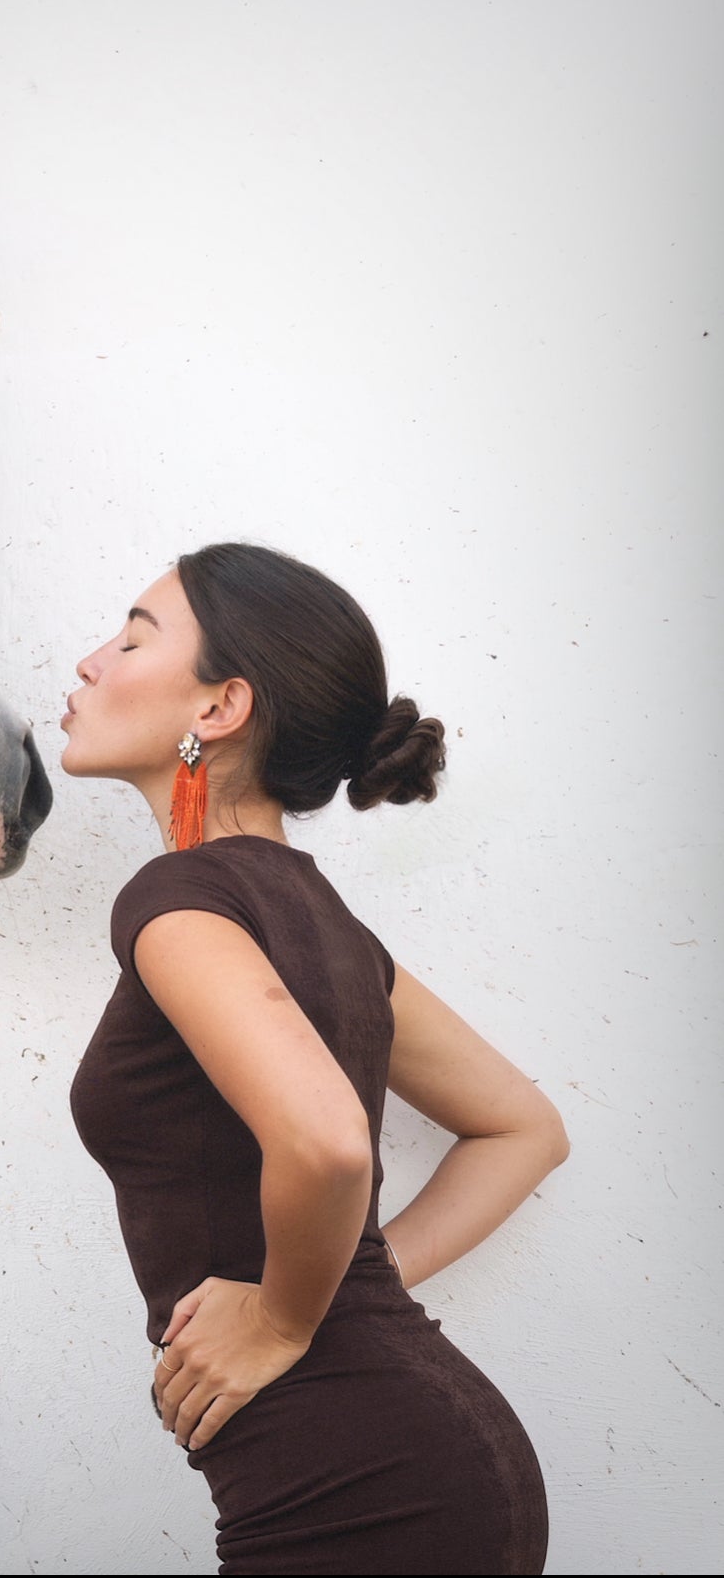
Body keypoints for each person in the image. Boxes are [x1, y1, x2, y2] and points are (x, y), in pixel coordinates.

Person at [64, 543, 569, 1576]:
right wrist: (343, 1277)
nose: (89, 662)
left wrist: (285, 1311)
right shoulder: (333, 928)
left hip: (364, 1490)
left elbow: (331, 1140)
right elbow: (525, 1127)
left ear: (219, 708)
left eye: (131, 637)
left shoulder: (178, 899)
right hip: (422, 1462)